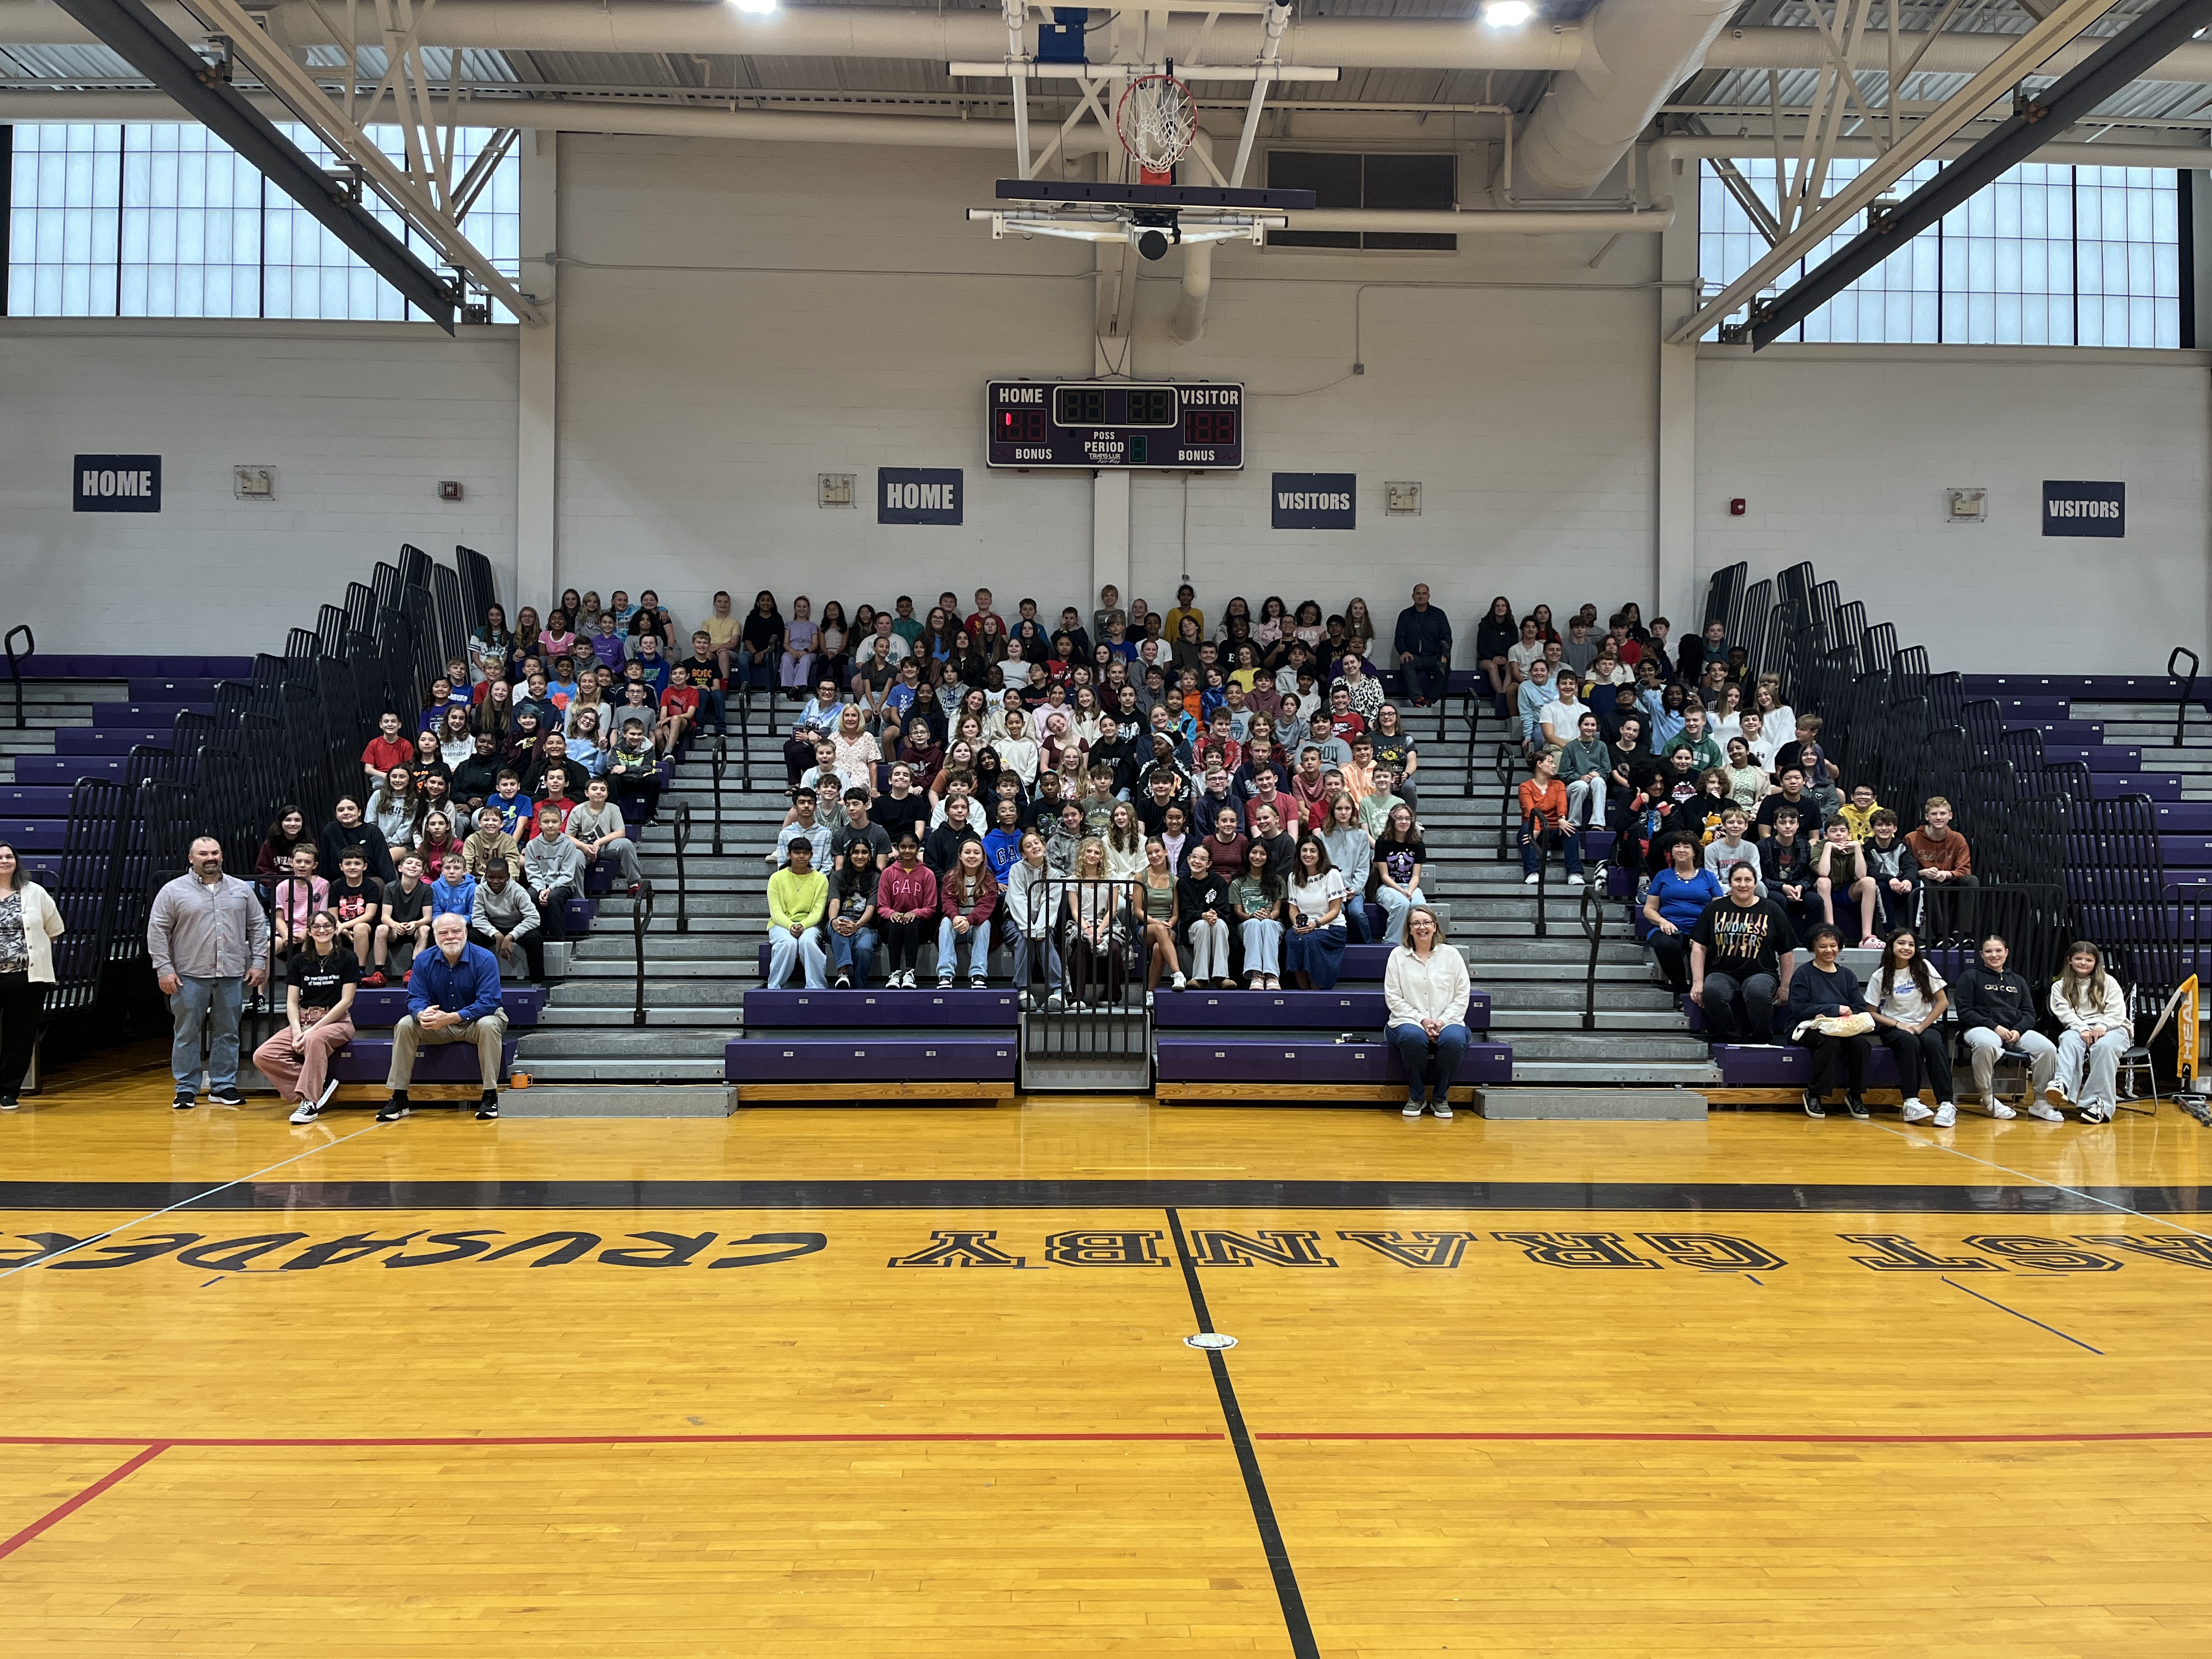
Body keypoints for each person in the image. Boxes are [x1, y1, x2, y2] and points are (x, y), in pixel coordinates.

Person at [148, 836, 270, 1111]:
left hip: (232, 974)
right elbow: (157, 932)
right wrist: (164, 969)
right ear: (192, 859)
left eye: (215, 852)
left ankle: (223, 1085)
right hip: (187, 975)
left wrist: (259, 962)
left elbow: (258, 926)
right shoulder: (173, 891)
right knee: (187, 1033)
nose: (210, 858)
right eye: (203, 853)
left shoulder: (241, 890)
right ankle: (186, 1088)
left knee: (228, 1032)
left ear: (222, 856)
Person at [380, 912, 509, 1122]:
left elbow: (489, 1002)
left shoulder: (485, 958)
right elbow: (415, 998)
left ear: (466, 932)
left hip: (475, 1022)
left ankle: (490, 1095)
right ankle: (399, 1096)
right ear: (436, 936)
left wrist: (450, 1018)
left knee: (489, 1024)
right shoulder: (423, 960)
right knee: (405, 1025)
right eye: (444, 933)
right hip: (440, 1024)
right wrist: (423, 1014)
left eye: (456, 931)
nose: (451, 937)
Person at [253, 910, 359, 1125]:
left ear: (335, 929)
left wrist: (313, 1029)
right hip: (303, 1020)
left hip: (336, 1021)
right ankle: (320, 1085)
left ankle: (310, 1102)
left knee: (314, 1039)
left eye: (327, 926)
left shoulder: (348, 958)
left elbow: (346, 1001)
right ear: (309, 932)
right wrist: (296, 1030)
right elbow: (292, 1002)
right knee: (263, 1055)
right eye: (317, 927)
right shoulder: (299, 961)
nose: (322, 930)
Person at [1688, 861, 1797, 1047]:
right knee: (1712, 991)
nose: (1743, 884)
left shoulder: (1772, 909)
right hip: (1721, 972)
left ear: (1756, 883)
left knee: (1758, 991)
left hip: (1762, 973)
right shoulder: (1714, 909)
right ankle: (1731, 1040)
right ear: (1730, 883)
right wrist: (1698, 982)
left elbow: (1787, 951)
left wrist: (1785, 986)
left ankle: (1761, 1040)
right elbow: (1699, 947)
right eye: (1738, 880)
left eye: (1748, 880)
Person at [1953, 933, 2056, 1120]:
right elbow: (1965, 1012)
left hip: (2014, 1031)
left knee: (2047, 1048)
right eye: (1989, 951)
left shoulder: (2018, 980)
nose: (1994, 955)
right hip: (1980, 1028)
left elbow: (2029, 1013)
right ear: (1981, 954)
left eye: (1999, 950)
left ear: (2006, 953)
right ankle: (1987, 1097)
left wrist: (2018, 1030)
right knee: (1987, 1044)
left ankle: (2041, 1101)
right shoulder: (1970, 977)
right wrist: (1994, 1027)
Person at [1386, 903, 1472, 1120]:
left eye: (1426, 923)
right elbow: (1394, 998)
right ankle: (1416, 1096)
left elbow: (1462, 996)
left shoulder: (1452, 955)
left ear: (1435, 926)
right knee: (1412, 1037)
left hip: (1449, 1021)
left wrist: (1441, 1022)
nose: (1421, 927)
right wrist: (1422, 1020)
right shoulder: (1397, 956)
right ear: (1409, 928)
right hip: (1406, 1020)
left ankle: (1440, 1098)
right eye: (1416, 923)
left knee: (1454, 1040)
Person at [1861, 927, 1955, 1124]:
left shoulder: (1925, 967)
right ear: (1891, 946)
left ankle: (1946, 1104)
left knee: (1934, 1044)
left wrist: (1922, 1026)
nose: (1907, 948)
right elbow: (1871, 1011)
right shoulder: (1880, 975)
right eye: (1901, 943)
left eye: (1911, 944)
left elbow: (1943, 1002)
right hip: (1895, 1028)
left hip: (1925, 1024)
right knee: (1910, 1043)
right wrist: (1898, 1024)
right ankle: (1911, 1101)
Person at [0, 844, 66, 1111]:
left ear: (16, 861)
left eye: (8, 856)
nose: (4, 861)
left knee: (20, 1036)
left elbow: (54, 929)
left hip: (28, 978)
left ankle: (8, 1092)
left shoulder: (35, 892)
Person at [1783, 922, 1873, 1118]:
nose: (1829, 950)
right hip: (1808, 1028)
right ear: (1813, 949)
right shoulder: (1803, 974)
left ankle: (1856, 1095)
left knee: (1861, 1044)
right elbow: (1798, 1008)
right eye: (1823, 946)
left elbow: (1858, 1006)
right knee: (1829, 1042)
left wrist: (1843, 1015)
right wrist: (1831, 1010)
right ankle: (1814, 1093)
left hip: (1843, 1028)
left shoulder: (1847, 976)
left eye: (1833, 946)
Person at [2048, 940, 2131, 1124]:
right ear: (2070, 960)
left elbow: (2117, 1012)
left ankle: (2098, 1103)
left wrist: (2102, 1026)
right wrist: (2083, 1029)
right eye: (2078, 959)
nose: (2083, 963)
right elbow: (2064, 1013)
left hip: (2114, 1028)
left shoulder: (2109, 982)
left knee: (2104, 1047)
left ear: (2096, 963)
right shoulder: (2059, 986)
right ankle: (2061, 1084)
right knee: (2068, 1039)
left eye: (2089, 960)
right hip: (2080, 1028)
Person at [1643, 836, 1724, 994]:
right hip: (1670, 927)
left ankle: (1705, 991)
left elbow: (1718, 909)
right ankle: (1681, 990)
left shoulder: (1708, 877)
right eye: (1677, 846)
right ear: (1671, 853)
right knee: (1665, 944)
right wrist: (1662, 922)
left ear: (1695, 852)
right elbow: (1649, 909)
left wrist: (1703, 931)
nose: (1681, 850)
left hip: (1701, 928)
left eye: (1686, 846)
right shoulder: (1662, 876)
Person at [1285, 836, 1350, 990]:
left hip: (1332, 927)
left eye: (1313, 851)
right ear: (1299, 854)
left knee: (1310, 941)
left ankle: (1317, 992)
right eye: (1304, 850)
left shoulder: (1332, 874)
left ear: (1320, 854)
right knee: (1292, 939)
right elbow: (1293, 908)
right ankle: (1305, 992)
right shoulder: (1293, 877)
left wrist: (1316, 924)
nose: (1308, 854)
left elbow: (1335, 910)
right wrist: (1298, 926)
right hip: (1306, 927)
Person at [766, 837, 832, 989]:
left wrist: (803, 925)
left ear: (811, 855)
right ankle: (774, 987)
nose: (801, 856)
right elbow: (776, 912)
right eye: (797, 853)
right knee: (787, 943)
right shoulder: (776, 878)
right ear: (789, 855)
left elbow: (818, 911)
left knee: (807, 942)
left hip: (809, 924)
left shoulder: (821, 879)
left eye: (805, 853)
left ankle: (816, 987)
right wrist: (790, 925)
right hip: (781, 924)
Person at [876, 833, 939, 989]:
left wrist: (915, 913)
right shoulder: (888, 873)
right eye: (903, 847)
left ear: (918, 849)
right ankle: (895, 973)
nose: (907, 851)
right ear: (898, 849)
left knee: (911, 924)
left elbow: (931, 908)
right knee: (896, 924)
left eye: (912, 847)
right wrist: (892, 913)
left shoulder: (928, 874)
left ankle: (910, 973)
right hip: (893, 923)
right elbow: (882, 906)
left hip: (920, 925)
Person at [522, 807, 584, 960]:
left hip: (562, 885)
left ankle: (559, 939)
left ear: (561, 823)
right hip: (540, 884)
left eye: (554, 822)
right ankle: (534, 936)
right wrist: (541, 889)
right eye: (546, 822)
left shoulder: (568, 844)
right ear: (539, 824)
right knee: (529, 895)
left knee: (555, 897)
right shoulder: (532, 845)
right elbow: (532, 871)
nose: (550, 825)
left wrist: (550, 889)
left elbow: (568, 874)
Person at [936, 839, 999, 988]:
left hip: (975, 926)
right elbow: (948, 902)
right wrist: (956, 917)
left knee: (985, 923)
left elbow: (985, 908)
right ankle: (945, 974)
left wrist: (969, 921)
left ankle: (978, 974)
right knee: (946, 922)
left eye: (977, 853)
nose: (972, 856)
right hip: (956, 924)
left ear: (983, 857)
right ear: (960, 856)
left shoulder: (989, 879)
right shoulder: (951, 876)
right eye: (967, 852)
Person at [1517, 750, 1584, 888]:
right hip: (1538, 831)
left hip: (1555, 831)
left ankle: (1574, 873)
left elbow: (1562, 803)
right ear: (1540, 764)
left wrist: (1562, 818)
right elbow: (1530, 810)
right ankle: (1532, 872)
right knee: (1526, 830)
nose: (1554, 766)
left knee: (1570, 828)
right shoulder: (1525, 787)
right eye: (1551, 762)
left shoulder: (1558, 785)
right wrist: (1535, 828)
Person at [471, 859, 544, 983]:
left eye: (500, 878)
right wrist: (496, 934)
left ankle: (537, 984)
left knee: (535, 938)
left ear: (508, 877)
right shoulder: (480, 890)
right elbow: (477, 918)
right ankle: (477, 982)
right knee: (472, 936)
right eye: (491, 877)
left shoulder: (518, 891)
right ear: (485, 876)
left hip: (517, 926)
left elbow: (534, 918)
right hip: (494, 926)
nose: (495, 881)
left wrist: (511, 936)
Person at [568, 777, 644, 895]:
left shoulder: (613, 809)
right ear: (586, 793)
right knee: (576, 858)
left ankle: (634, 885)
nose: (599, 792)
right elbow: (569, 837)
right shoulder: (577, 810)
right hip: (584, 847)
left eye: (603, 789)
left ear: (607, 794)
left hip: (605, 846)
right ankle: (579, 899)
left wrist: (598, 843)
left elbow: (621, 833)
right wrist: (583, 847)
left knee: (627, 844)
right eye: (594, 789)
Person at [1814, 818, 1880, 947]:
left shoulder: (1853, 847)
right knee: (1823, 881)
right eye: (1833, 831)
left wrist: (1857, 847)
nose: (1839, 834)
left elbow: (1861, 875)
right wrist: (1828, 848)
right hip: (1825, 892)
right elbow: (1823, 872)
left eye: (1843, 831)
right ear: (1826, 835)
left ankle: (1866, 937)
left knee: (1869, 882)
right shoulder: (1819, 847)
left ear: (1849, 833)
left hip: (1847, 892)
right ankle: (1831, 932)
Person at [1177, 842, 1234, 989]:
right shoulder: (1182, 883)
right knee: (1203, 925)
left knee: (1220, 923)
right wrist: (1202, 915)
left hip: (1216, 924)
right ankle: (1199, 978)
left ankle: (1222, 977)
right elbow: (1185, 913)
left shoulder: (1218, 881)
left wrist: (1213, 915)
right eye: (1194, 857)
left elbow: (1224, 910)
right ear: (1188, 859)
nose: (1197, 862)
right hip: (1193, 928)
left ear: (1209, 864)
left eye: (1202, 859)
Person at [1231, 837, 1285, 990]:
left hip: (1272, 923)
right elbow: (1238, 913)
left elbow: (1277, 910)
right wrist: (1252, 917)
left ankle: (1272, 975)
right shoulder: (1238, 882)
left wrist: (1269, 917)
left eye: (1262, 854)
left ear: (1268, 857)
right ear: (1248, 855)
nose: (1258, 857)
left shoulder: (1278, 880)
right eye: (1254, 853)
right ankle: (1256, 975)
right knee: (1255, 923)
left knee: (1267, 923)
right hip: (1247, 923)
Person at [1370, 802, 1426, 945]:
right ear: (1392, 820)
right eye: (1400, 818)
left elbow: (1416, 876)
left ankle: (1419, 943)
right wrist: (1402, 891)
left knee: (1420, 905)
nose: (1404, 822)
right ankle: (1392, 943)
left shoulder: (1417, 843)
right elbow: (1384, 876)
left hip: (1410, 886)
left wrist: (1410, 891)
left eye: (1408, 819)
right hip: (1388, 888)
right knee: (1402, 904)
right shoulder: (1383, 842)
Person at [1906, 797, 1976, 900]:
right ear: (1927, 817)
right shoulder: (1911, 838)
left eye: (1943, 814)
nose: (1939, 818)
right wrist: (1923, 872)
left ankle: (1965, 916)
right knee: (1927, 881)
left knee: (1971, 880)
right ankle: (1933, 917)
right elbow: (1905, 869)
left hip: (1950, 883)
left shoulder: (1958, 839)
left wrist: (1948, 874)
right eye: (1934, 814)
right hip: (1924, 884)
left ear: (1950, 816)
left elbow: (1965, 870)